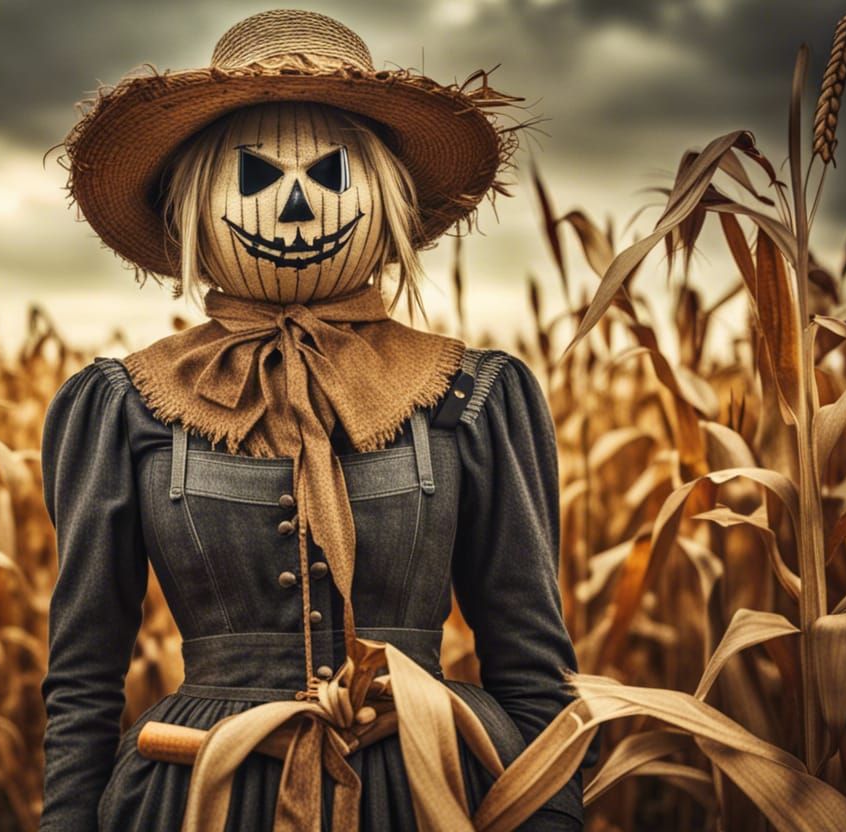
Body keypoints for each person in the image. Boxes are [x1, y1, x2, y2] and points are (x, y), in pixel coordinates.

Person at [40, 9, 597, 831]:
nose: (297, 210)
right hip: (200, 797)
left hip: (429, 790)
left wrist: (555, 818)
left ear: (386, 200)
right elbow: (85, 674)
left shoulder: (472, 395)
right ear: (193, 204)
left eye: (332, 176)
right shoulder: (126, 404)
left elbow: (532, 663)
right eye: (256, 180)